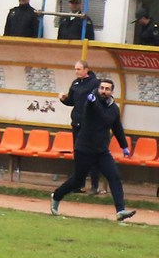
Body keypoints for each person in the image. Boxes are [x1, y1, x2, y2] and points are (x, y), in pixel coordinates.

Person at [50, 79, 136, 222]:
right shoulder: (93, 102)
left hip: (102, 151)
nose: (103, 91)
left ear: (111, 92)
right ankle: (56, 196)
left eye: (107, 89)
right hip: (84, 149)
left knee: (114, 177)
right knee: (78, 181)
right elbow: (90, 106)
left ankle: (120, 210)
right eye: (101, 88)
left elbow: (117, 128)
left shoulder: (114, 109)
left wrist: (124, 146)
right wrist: (90, 100)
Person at [58, 60, 101, 194]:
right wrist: (64, 99)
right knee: (78, 154)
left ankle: (95, 185)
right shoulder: (75, 83)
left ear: (86, 69)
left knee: (92, 154)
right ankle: (77, 184)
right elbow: (72, 101)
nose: (76, 72)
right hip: (76, 123)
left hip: (90, 125)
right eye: (75, 69)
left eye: (79, 69)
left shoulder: (95, 83)